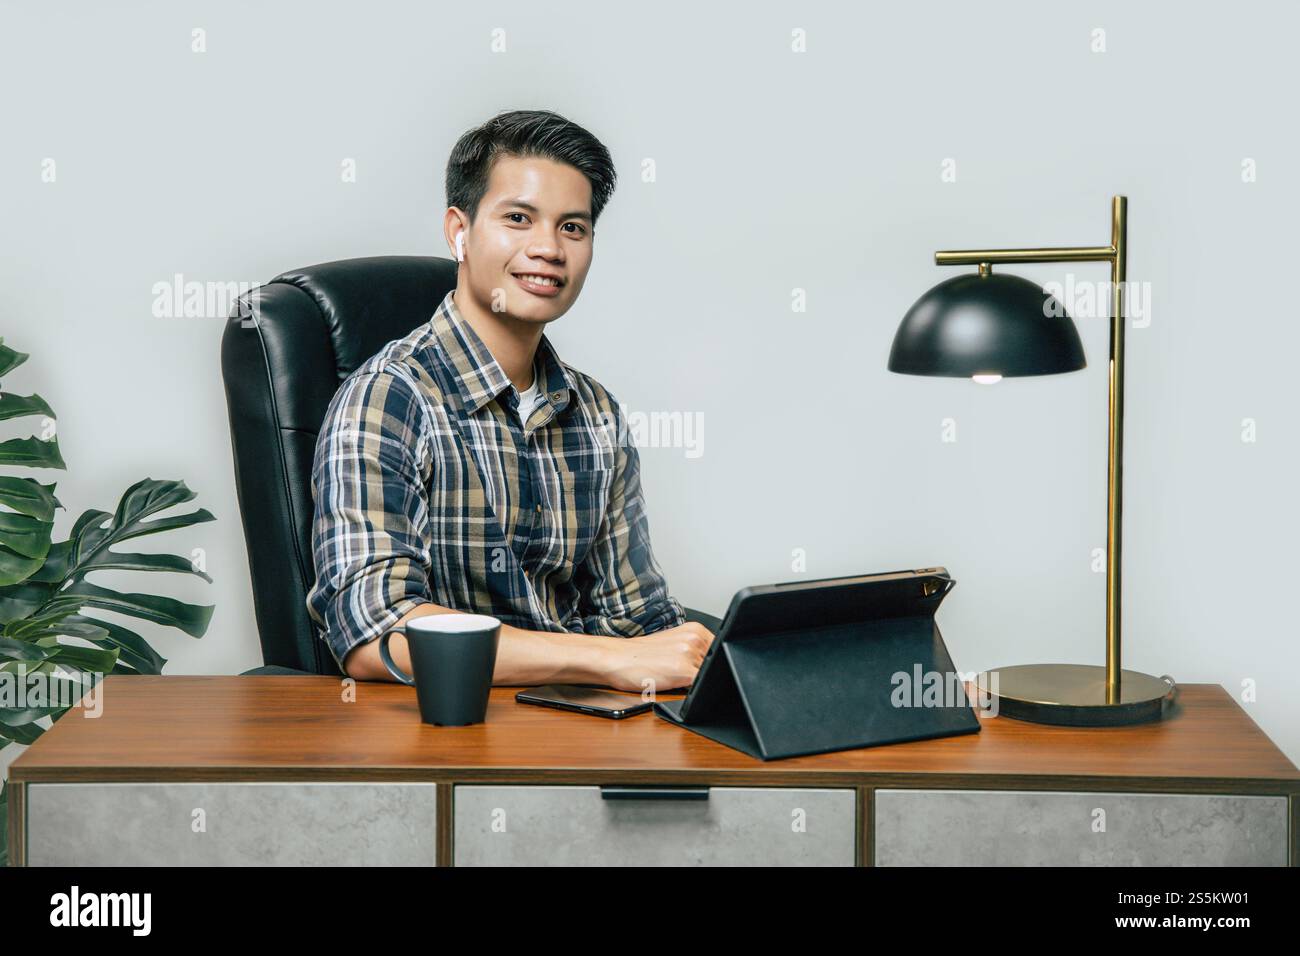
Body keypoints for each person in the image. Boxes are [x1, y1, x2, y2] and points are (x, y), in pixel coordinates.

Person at [305, 109, 714, 692]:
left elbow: (637, 618)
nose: (548, 248)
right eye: (518, 219)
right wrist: (602, 660)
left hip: (584, 726)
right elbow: (378, 635)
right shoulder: (388, 398)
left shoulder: (596, 412)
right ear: (459, 231)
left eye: (573, 227)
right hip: (443, 738)